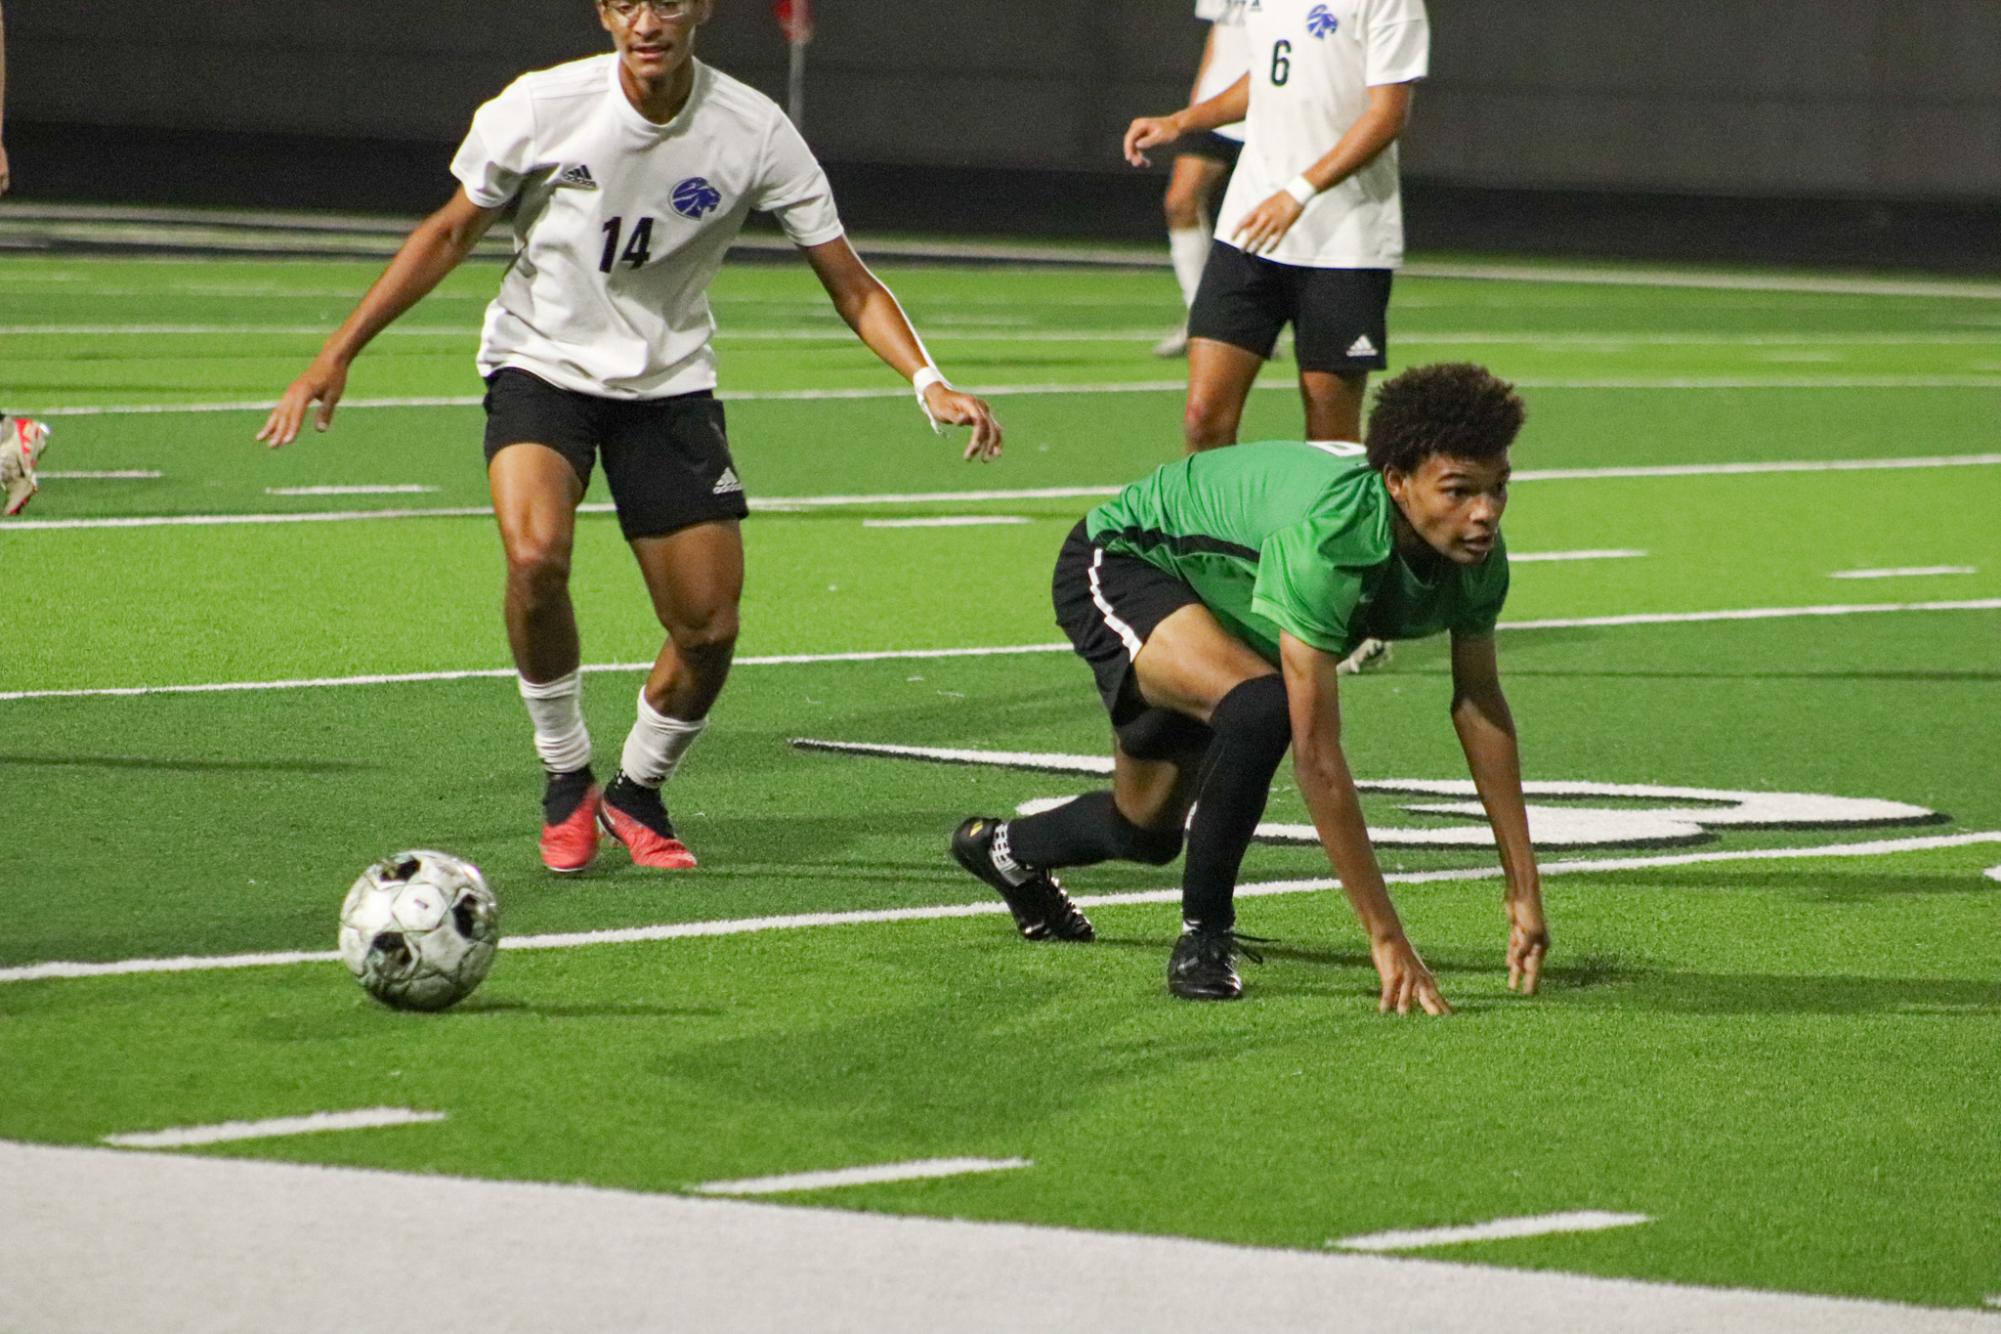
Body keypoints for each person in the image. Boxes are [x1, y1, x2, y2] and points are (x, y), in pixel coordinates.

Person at [260, 0, 1001, 875]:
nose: (648, 19)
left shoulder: (753, 130)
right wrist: (336, 354)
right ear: (605, 14)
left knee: (709, 629)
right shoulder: (541, 107)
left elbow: (849, 279)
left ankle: (636, 791)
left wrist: (927, 379)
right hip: (540, 367)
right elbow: (450, 230)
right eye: (626, 2)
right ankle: (564, 775)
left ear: (702, 9)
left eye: (668, 0)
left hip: (669, 386)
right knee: (535, 560)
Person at [951, 363, 1548, 1013]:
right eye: (1458, 491)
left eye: (1498, 488)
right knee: (1264, 708)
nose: (1484, 513)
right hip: (1128, 558)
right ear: (1396, 483)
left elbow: (1479, 703)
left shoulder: (1475, 557)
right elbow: (1316, 759)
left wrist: (1522, 884)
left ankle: (1003, 851)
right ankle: (1205, 937)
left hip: (1232, 612)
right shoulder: (1330, 539)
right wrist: (1386, 936)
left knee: (1144, 831)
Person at [1124, 0, 1429, 452]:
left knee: (1330, 439)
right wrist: (1181, 121)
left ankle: (1327, 525)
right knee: (1203, 417)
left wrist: (1298, 193)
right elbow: (1266, 77)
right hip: (1248, 232)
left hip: (1343, 242)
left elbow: (1386, 115)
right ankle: (1207, 527)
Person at [1153, 0, 1250, 359]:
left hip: (1268, 106)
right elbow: (1218, 32)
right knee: (1180, 201)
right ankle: (1201, 317)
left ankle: (1259, 323)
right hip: (1217, 108)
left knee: (1256, 222)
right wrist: (1196, 104)